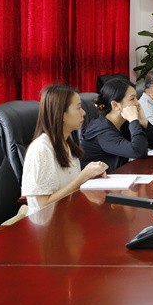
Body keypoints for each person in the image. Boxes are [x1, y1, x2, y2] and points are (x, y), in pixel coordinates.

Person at [21, 84, 108, 215]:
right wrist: (82, 177)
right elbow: (43, 206)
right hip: (46, 225)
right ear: (61, 114)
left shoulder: (67, 143)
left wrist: (90, 176)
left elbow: (69, 189)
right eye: (78, 107)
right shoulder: (41, 149)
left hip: (69, 217)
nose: (83, 112)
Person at [81, 78, 153, 171]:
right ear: (115, 105)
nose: (137, 103)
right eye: (132, 99)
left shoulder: (123, 122)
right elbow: (139, 152)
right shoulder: (102, 131)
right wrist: (133, 120)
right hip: (96, 179)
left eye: (136, 97)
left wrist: (143, 121)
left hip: (118, 174)